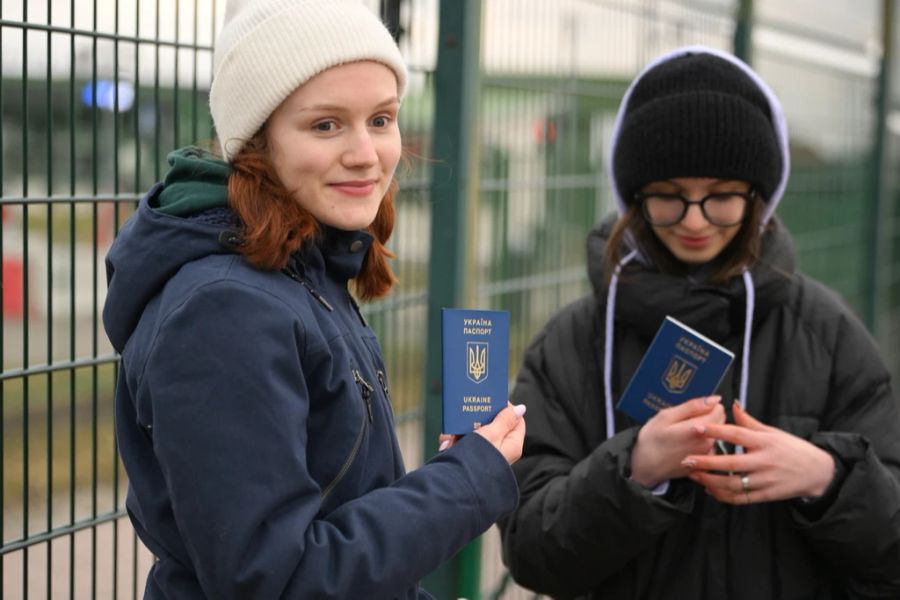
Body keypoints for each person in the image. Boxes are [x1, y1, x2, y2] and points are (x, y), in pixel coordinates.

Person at [102, 1, 526, 598]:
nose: (366, 153)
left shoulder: (299, 272)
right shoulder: (224, 312)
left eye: (381, 119)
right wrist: (465, 481)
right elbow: (276, 580)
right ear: (256, 141)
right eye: (326, 125)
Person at [498, 45, 900, 599]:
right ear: (634, 198)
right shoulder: (574, 341)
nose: (693, 222)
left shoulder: (826, 334)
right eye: (668, 197)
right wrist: (635, 469)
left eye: (720, 197)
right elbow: (532, 552)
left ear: (758, 197)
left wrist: (827, 480)